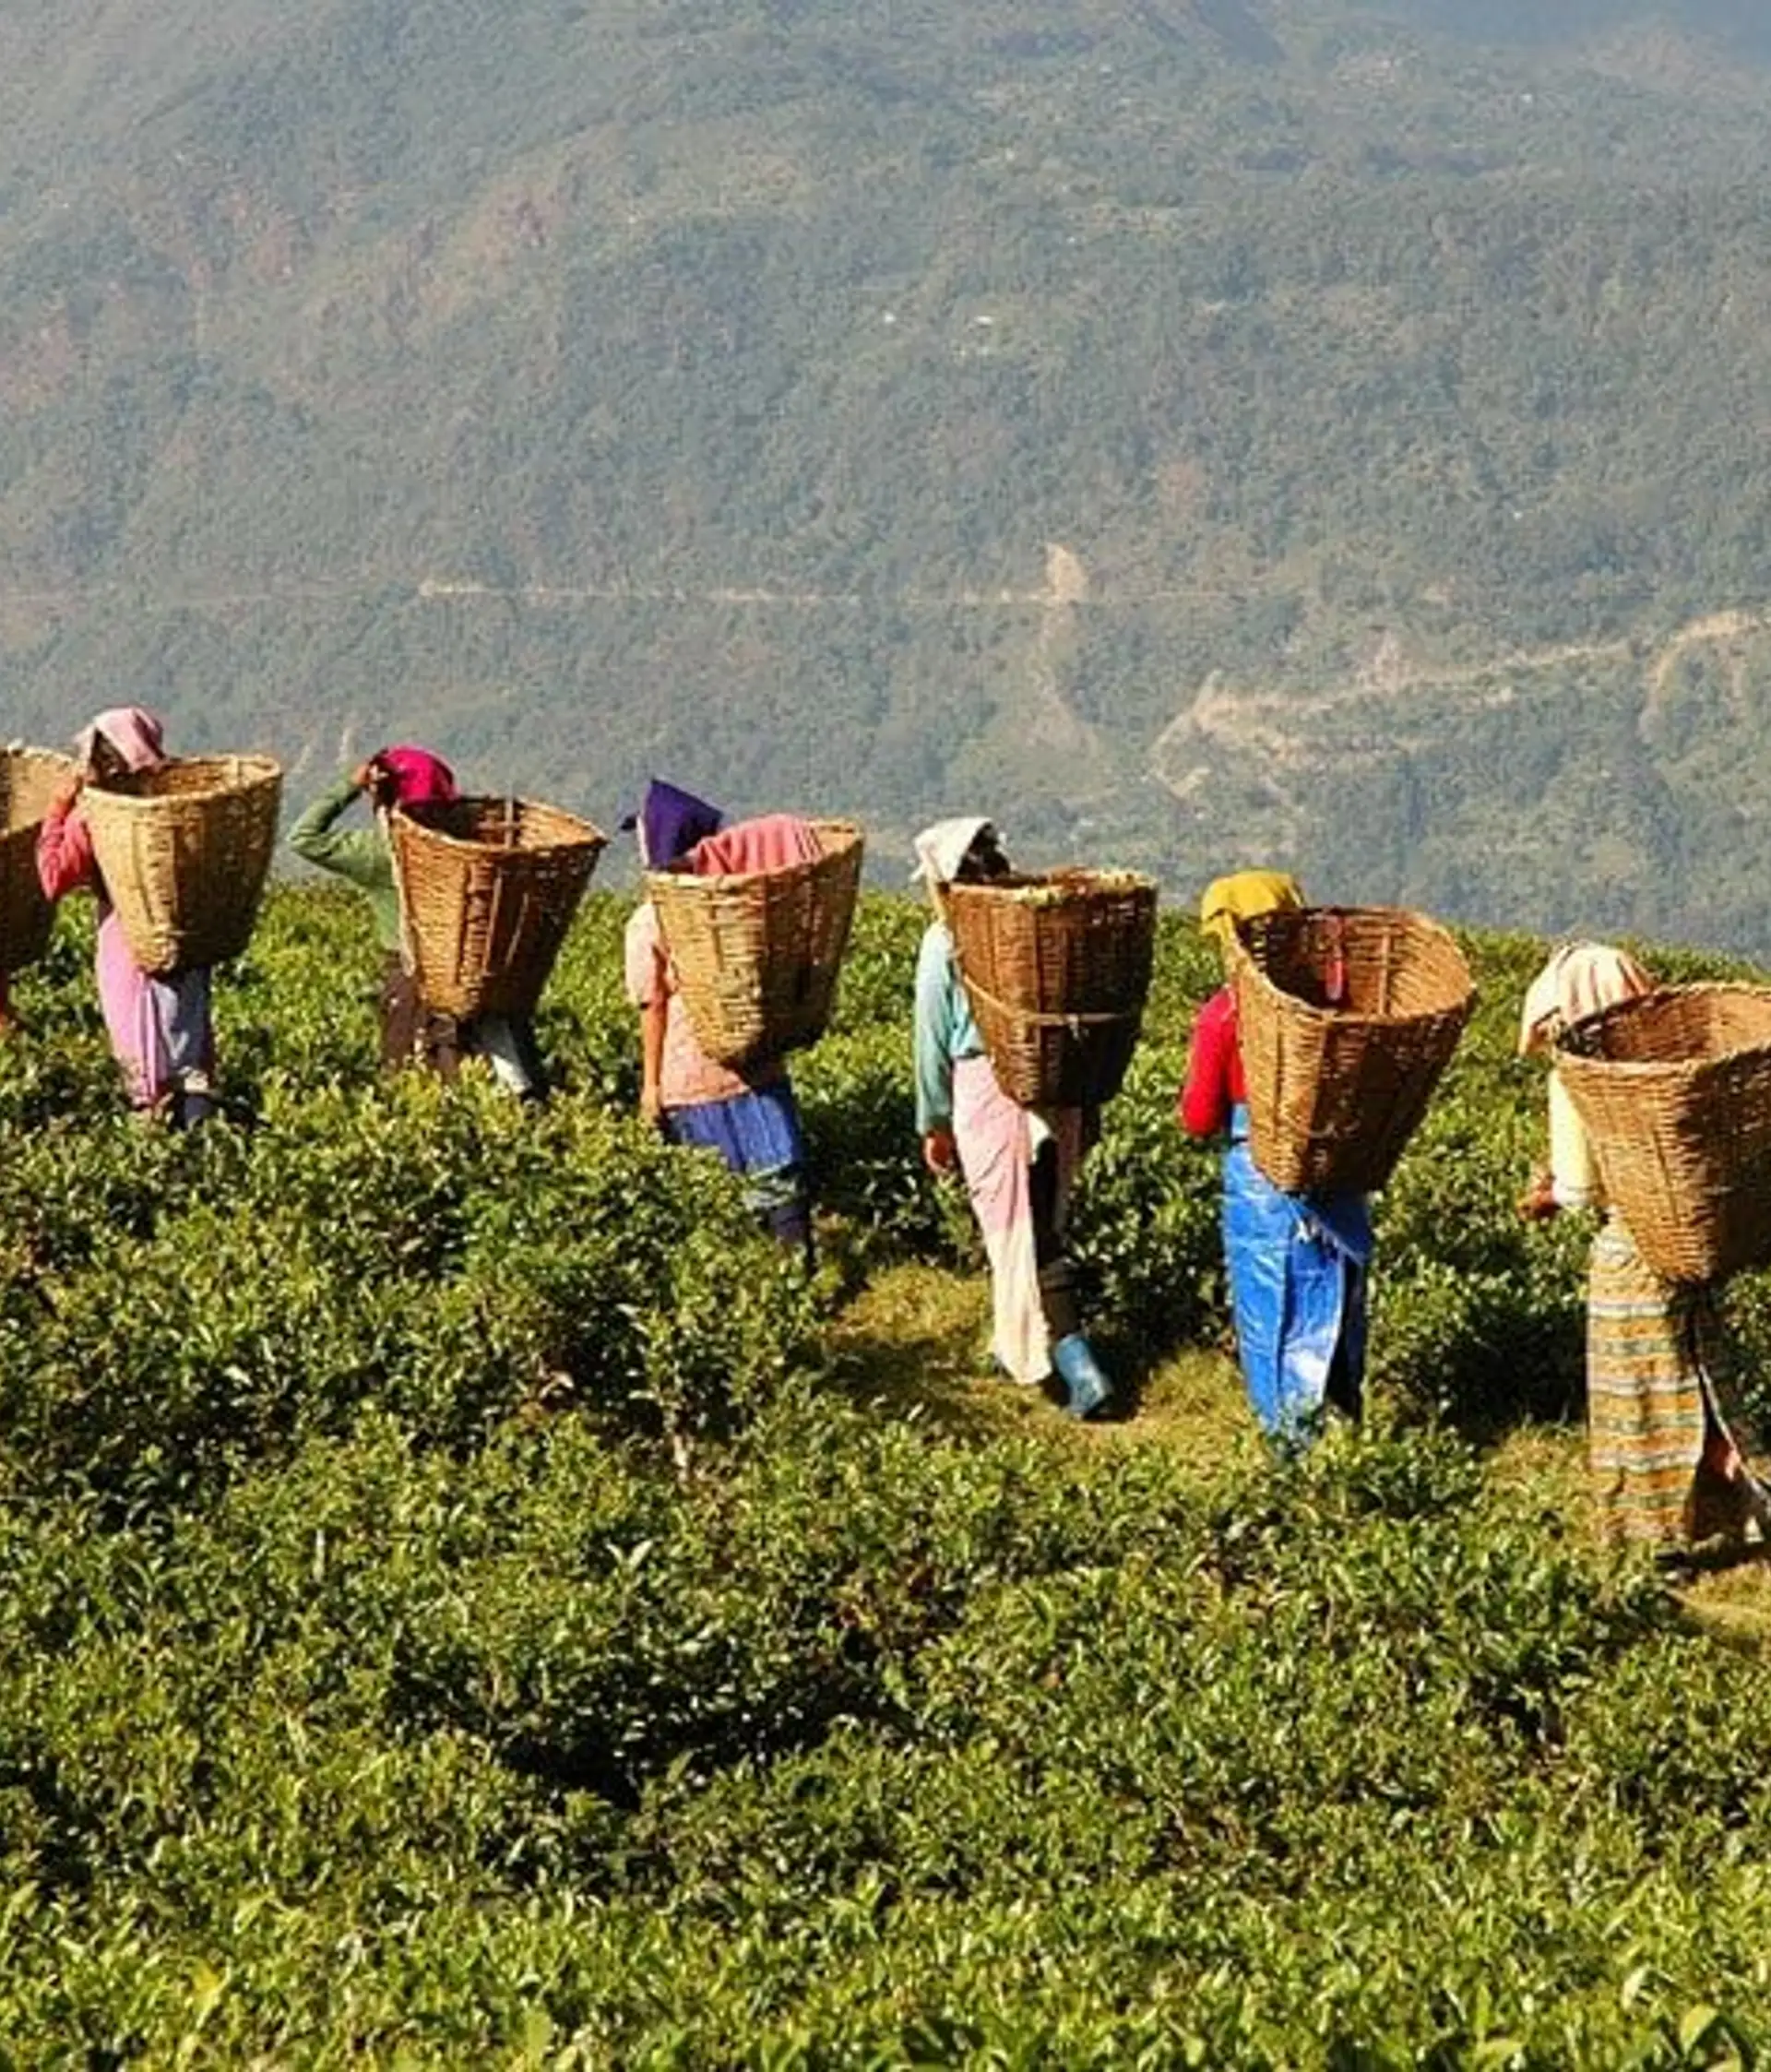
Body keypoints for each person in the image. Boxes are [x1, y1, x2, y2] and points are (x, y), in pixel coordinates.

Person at [1517, 941, 1771, 1552]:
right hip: (1689, 1255)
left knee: (1646, 1407)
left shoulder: (1582, 1081)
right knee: (1706, 1394)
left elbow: (1580, 1192)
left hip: (1630, 1262)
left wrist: (1546, 1195)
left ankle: (1653, 1539)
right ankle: (1749, 1509)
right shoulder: (1680, 1073)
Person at [911, 816, 1112, 1420]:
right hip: (1059, 1091)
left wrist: (934, 1119)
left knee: (1018, 1230)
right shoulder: (1042, 928)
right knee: (1044, 1216)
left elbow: (932, 1039)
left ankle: (1080, 1367)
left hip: (988, 1094)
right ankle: (1012, 1343)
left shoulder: (946, 941)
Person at [1177, 870, 1372, 1444]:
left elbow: (1197, 1116)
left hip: (1262, 1185)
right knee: (1337, 1306)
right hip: (1339, 1181)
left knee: (1274, 1313)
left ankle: (1291, 1450)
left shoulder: (1225, 1015)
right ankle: (1346, 1431)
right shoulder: (1333, 1010)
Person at [623, 779, 815, 1263]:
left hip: (690, 1077)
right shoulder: (739, 904)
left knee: (719, 1193)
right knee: (779, 1174)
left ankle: (748, 1298)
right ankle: (798, 1278)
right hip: (756, 1062)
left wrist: (650, 1087)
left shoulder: (649, 920)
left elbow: (653, 1005)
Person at [288, 747, 549, 1100]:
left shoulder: (382, 854)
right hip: (481, 981)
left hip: (411, 982)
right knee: (492, 1085)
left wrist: (349, 786)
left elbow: (304, 836)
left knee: (411, 1085)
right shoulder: (471, 851)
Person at [35, 706, 218, 1127]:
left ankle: (155, 1133)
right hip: (184, 944)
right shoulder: (177, 808)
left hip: (129, 944)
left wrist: (58, 811)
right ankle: (197, 1133)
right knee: (188, 1046)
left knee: (144, 1053)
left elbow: (52, 878)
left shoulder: (97, 818)